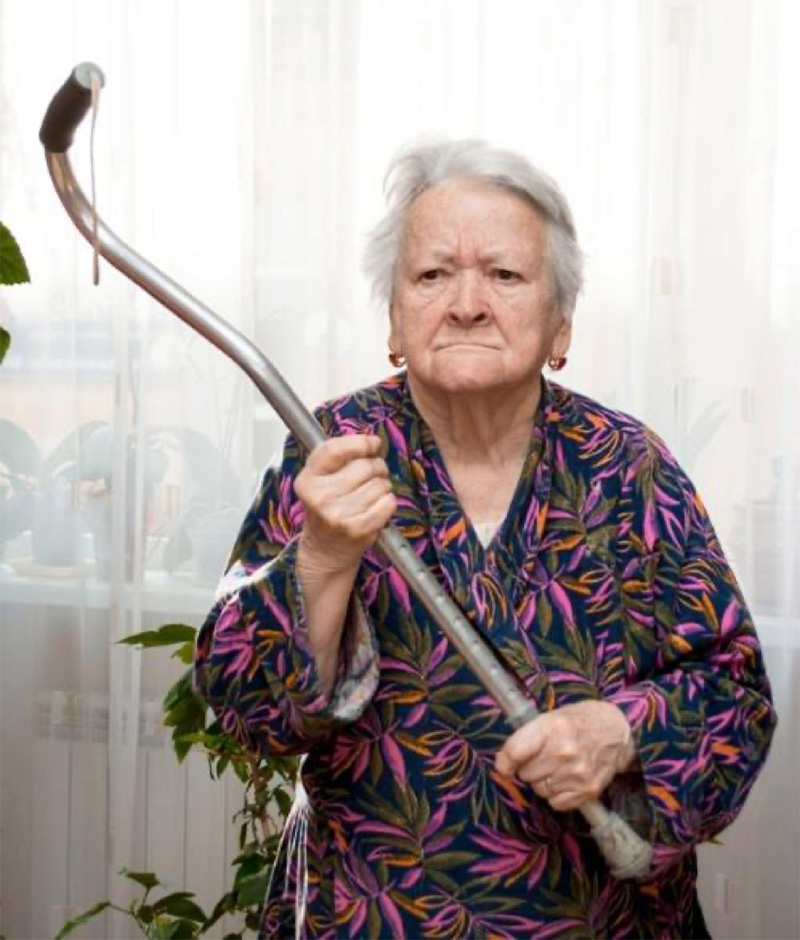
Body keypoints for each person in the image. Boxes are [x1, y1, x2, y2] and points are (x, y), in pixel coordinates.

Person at [194, 139, 776, 938]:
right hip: (368, 915)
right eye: (433, 275)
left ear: (561, 323)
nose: (466, 303)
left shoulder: (629, 466)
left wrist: (618, 733)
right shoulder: (331, 449)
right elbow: (242, 708)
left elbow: (736, 695)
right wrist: (324, 557)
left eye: (503, 275)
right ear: (395, 319)